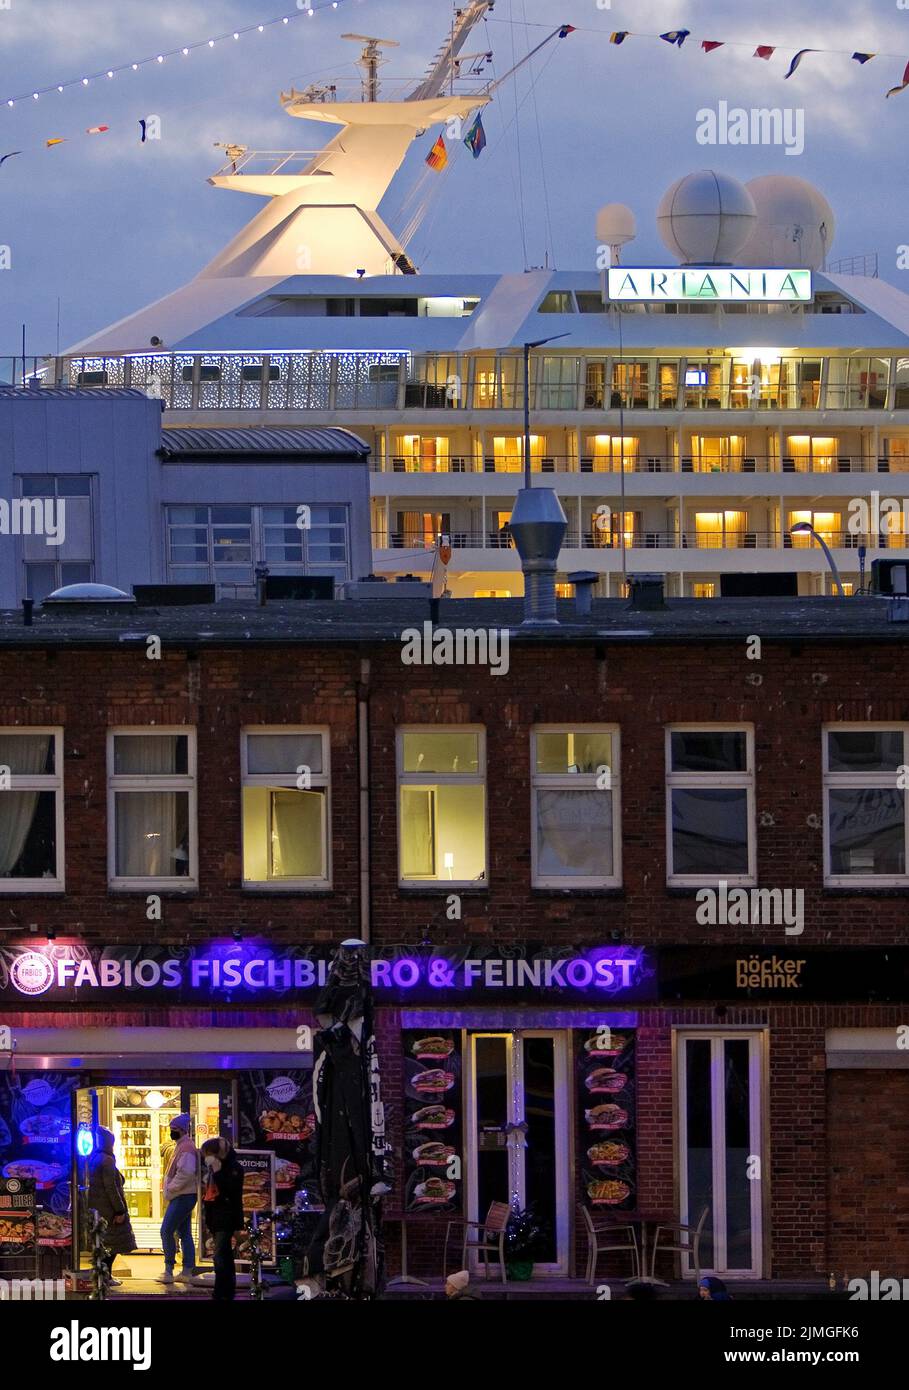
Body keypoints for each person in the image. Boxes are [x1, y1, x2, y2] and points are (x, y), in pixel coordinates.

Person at [87, 1127, 137, 1289]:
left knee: (102, 1244)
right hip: (108, 1210)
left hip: (97, 1209)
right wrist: (120, 1210)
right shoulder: (108, 1160)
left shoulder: (94, 1158)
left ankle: (102, 1275)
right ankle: (105, 1276)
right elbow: (111, 1188)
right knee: (111, 1245)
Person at [200, 1137, 245, 1301]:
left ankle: (222, 1292)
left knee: (220, 1256)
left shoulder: (234, 1168)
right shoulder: (214, 1170)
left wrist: (217, 1172)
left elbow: (230, 1191)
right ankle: (225, 1291)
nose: (207, 1158)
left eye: (209, 1155)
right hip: (216, 1217)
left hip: (226, 1217)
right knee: (223, 1255)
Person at [157, 1113, 199, 1285]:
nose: (171, 1132)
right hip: (184, 1195)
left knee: (166, 1231)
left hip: (182, 1196)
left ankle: (169, 1270)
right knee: (184, 1232)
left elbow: (186, 1173)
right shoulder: (183, 1146)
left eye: (174, 1130)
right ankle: (187, 1270)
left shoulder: (186, 1148)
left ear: (182, 1130)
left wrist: (171, 1187)